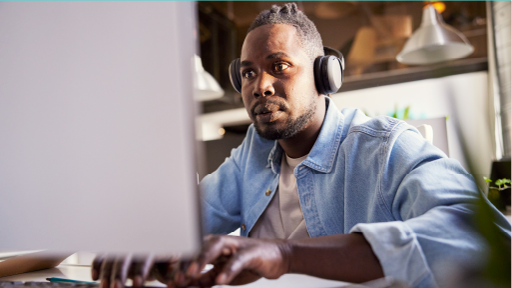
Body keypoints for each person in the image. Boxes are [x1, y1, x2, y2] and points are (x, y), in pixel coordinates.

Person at [92, 3, 511, 288]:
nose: (261, 86)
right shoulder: (253, 156)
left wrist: (284, 253)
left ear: (324, 75)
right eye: (248, 73)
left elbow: (485, 236)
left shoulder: (385, 147)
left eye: (279, 67)